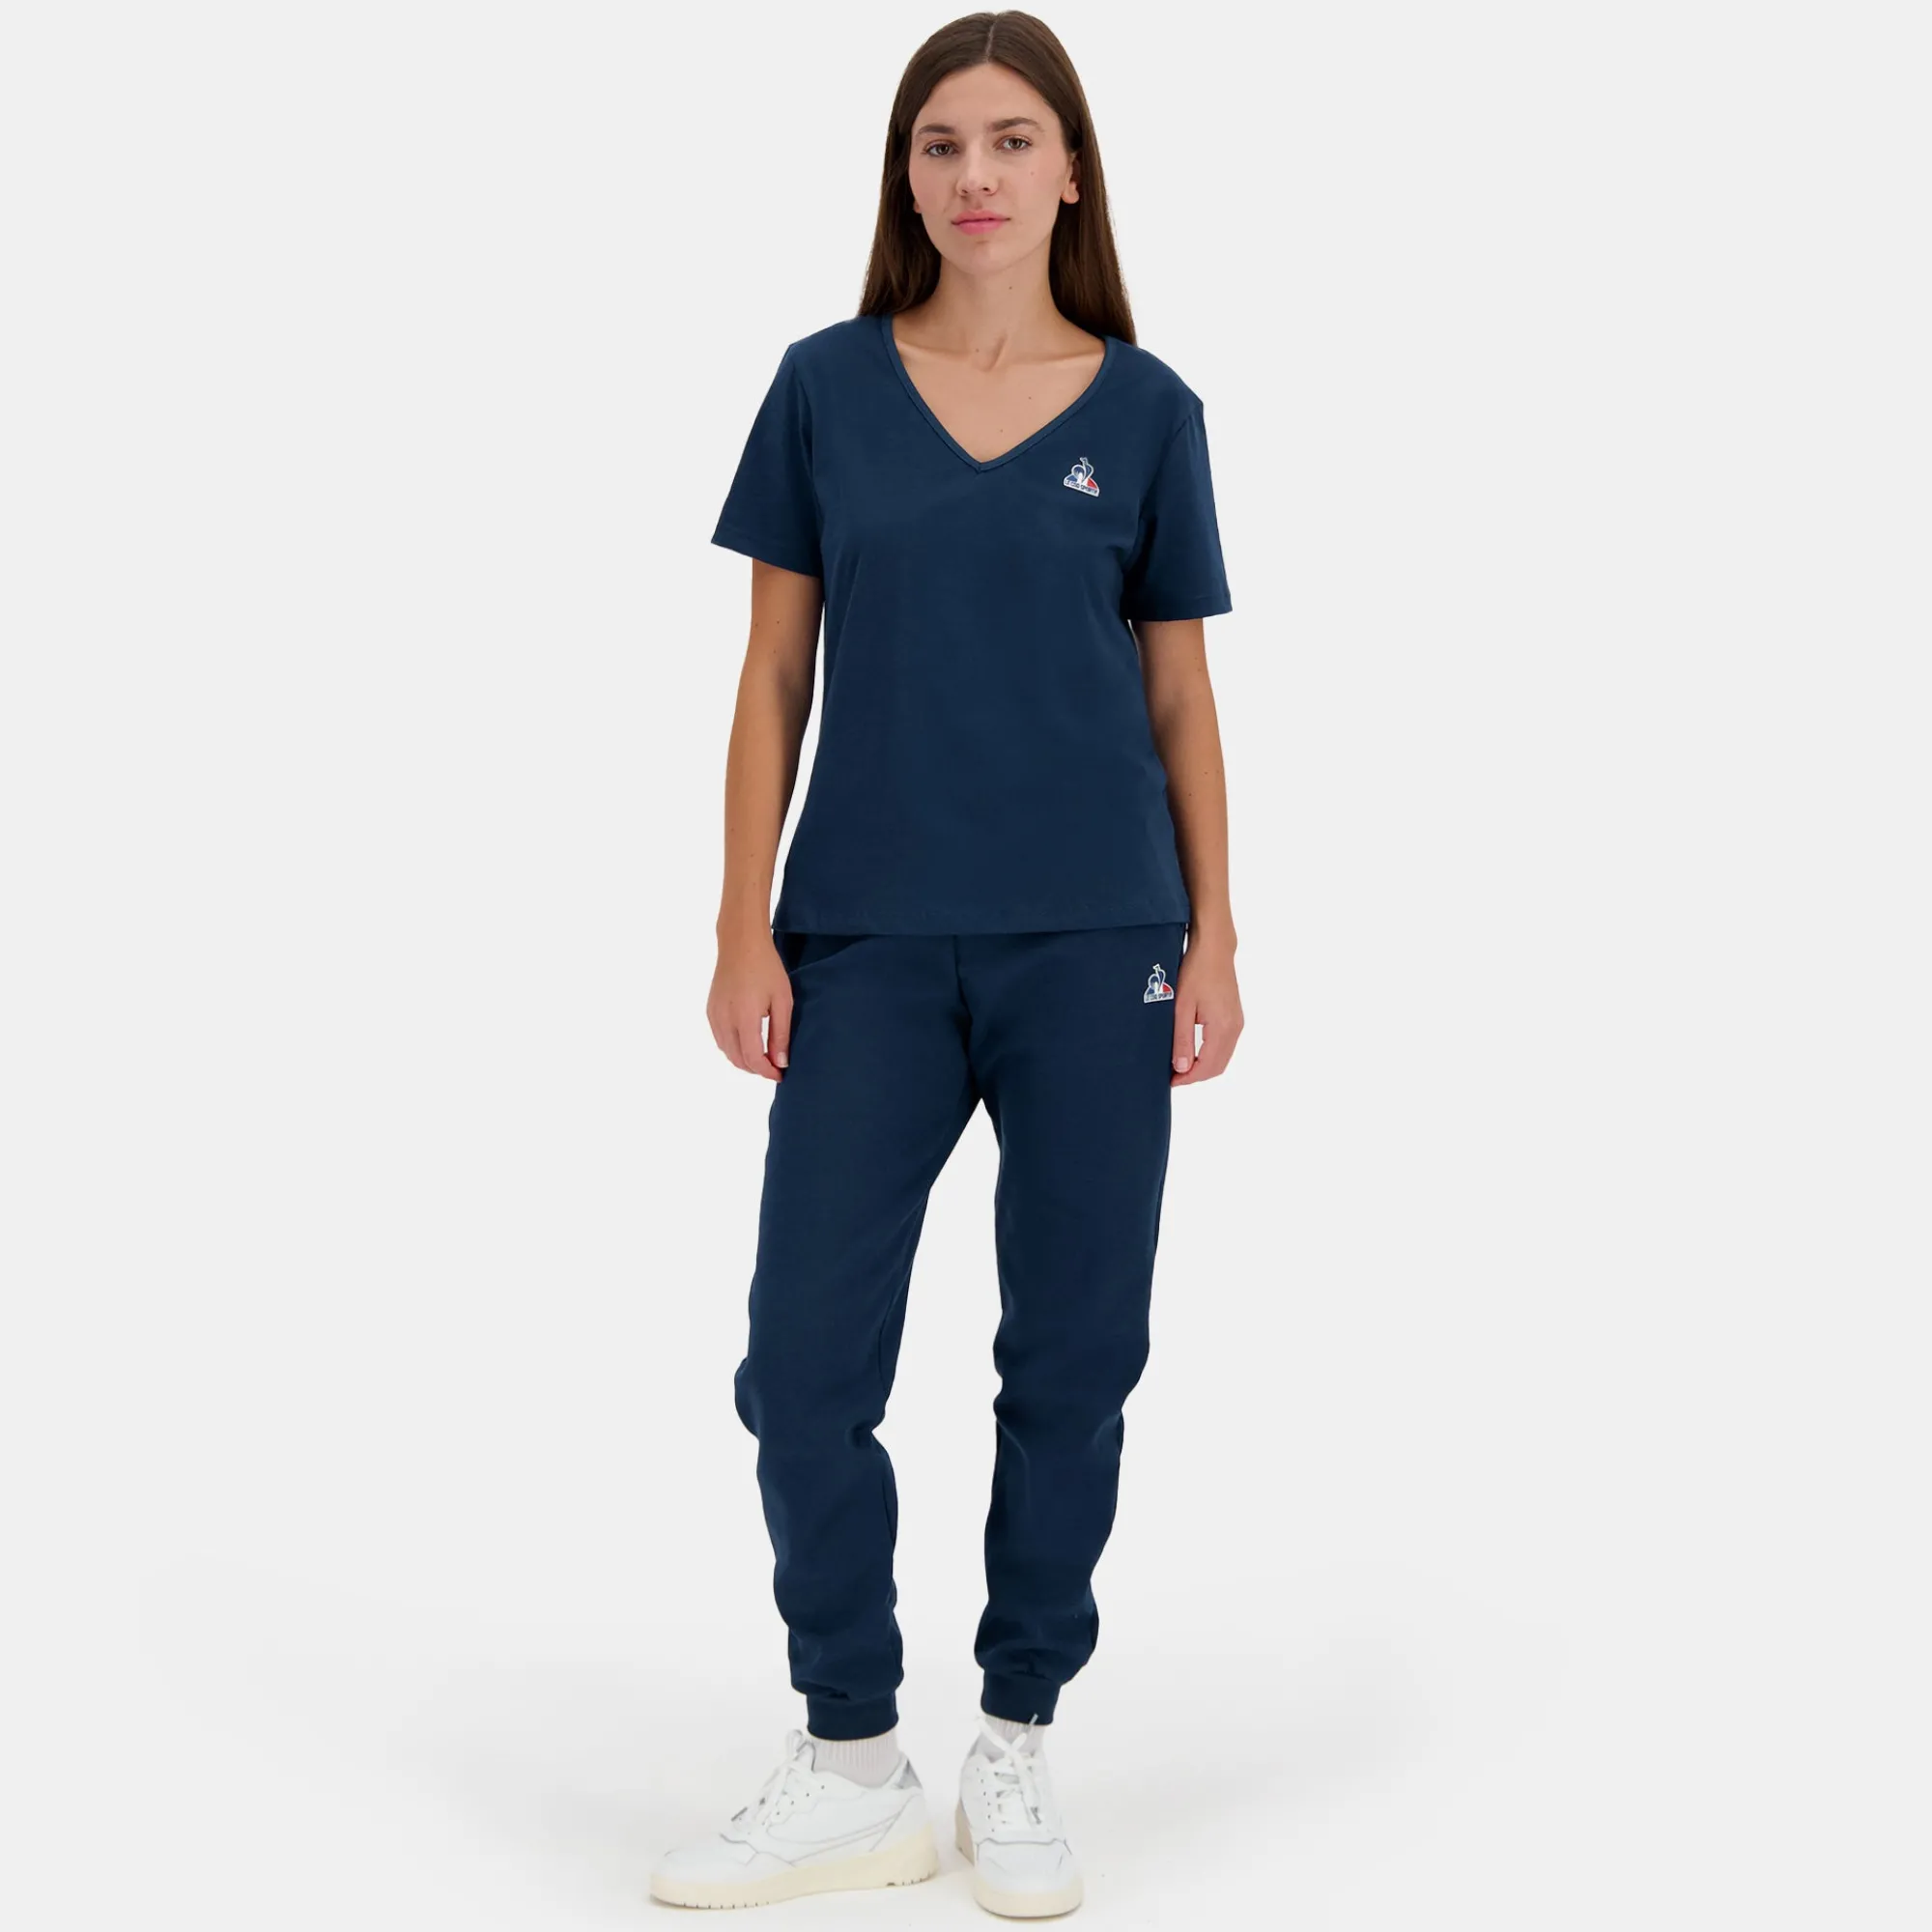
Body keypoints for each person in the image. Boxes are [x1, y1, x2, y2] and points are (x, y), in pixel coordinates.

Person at [651, 12, 1242, 1916]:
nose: (972, 174)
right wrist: (740, 919)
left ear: (1070, 171)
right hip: (868, 942)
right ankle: (852, 1761)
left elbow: (1179, 696)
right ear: (904, 179)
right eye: (938, 144)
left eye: (1008, 140)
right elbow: (772, 675)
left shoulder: (1149, 412)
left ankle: (1016, 1741)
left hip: (1099, 940)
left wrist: (1217, 933)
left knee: (1075, 1352)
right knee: (798, 1366)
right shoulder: (823, 388)